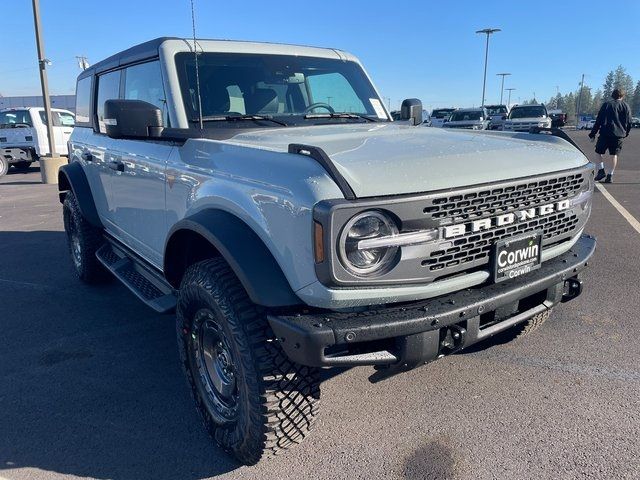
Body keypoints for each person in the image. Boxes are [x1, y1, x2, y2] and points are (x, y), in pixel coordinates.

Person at [589, 88, 632, 183]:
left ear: (613, 95)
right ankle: (610, 175)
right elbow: (629, 122)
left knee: (598, 152)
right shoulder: (626, 106)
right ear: (622, 96)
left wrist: (593, 133)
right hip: (618, 135)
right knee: (614, 155)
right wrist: (626, 133)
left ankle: (601, 171)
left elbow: (599, 120)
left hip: (605, 133)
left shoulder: (606, 105)